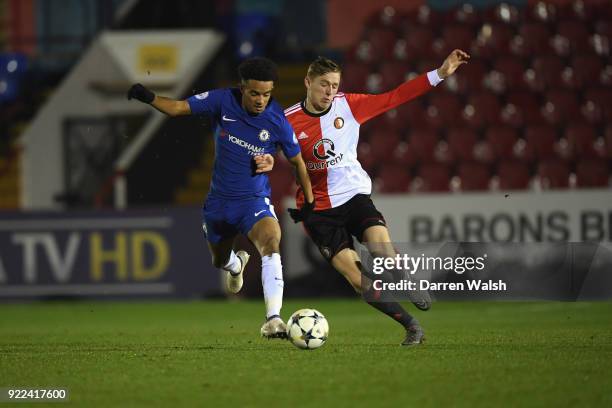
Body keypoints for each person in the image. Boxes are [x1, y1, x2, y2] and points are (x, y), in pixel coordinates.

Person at [284, 49, 470, 346]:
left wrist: (440, 74)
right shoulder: (286, 121)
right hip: (318, 210)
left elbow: (395, 96)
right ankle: (412, 327)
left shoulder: (350, 105)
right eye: (324, 85)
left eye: (335, 85)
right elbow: (263, 149)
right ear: (308, 82)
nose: (330, 92)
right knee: (358, 280)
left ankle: (408, 282)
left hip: (354, 197)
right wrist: (262, 163)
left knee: (382, 251)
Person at [127, 57, 315, 339]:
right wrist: (148, 97)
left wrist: (309, 202)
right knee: (219, 261)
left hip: (253, 200)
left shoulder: (277, 120)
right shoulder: (223, 101)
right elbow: (178, 108)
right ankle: (235, 265)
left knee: (271, 242)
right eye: (254, 93)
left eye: (266, 94)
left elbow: (298, 161)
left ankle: (274, 318)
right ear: (242, 88)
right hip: (218, 205)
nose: (261, 100)